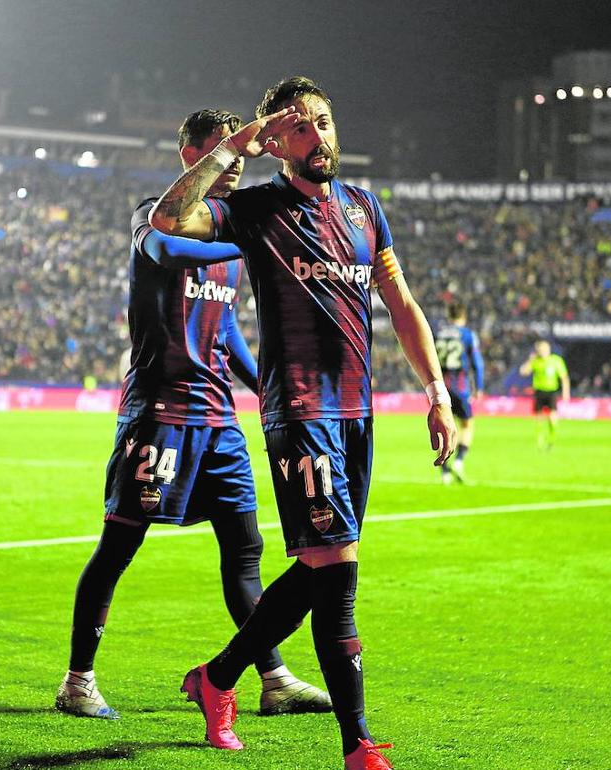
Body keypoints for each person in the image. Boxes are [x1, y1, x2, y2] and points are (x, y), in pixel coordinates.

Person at [151, 76, 456, 770]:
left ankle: (219, 677)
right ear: (276, 144)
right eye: (299, 128)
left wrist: (436, 388)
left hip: (357, 412)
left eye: (323, 121)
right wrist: (234, 147)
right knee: (338, 572)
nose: (319, 136)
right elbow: (167, 220)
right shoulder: (256, 209)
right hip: (299, 409)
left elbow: (401, 303)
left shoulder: (362, 207)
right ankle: (357, 746)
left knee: (320, 569)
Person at [56, 108, 331, 720]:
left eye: (240, 157)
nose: (234, 169)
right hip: (158, 413)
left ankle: (274, 677)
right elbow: (168, 249)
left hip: (218, 421)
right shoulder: (152, 215)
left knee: (246, 547)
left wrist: (266, 389)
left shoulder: (232, 236)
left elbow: (227, 326)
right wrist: (251, 241)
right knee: (118, 547)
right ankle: (78, 680)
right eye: (222, 155)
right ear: (191, 156)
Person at [434, 303, 484, 484]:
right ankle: (459, 461)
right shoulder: (467, 334)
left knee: (443, 430)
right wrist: (479, 387)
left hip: (440, 387)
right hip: (460, 386)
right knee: (467, 425)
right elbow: (477, 363)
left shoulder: (438, 333)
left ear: (449, 315)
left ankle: (445, 472)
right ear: (463, 316)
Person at [519, 340, 569, 450]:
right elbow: (523, 372)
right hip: (539, 392)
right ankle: (539, 441)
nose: (542, 351)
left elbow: (564, 377)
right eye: (540, 349)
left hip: (551, 392)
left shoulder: (556, 361)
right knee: (539, 418)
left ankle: (552, 439)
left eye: (544, 349)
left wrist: (566, 392)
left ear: (548, 350)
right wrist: (530, 360)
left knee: (552, 417)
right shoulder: (535, 361)